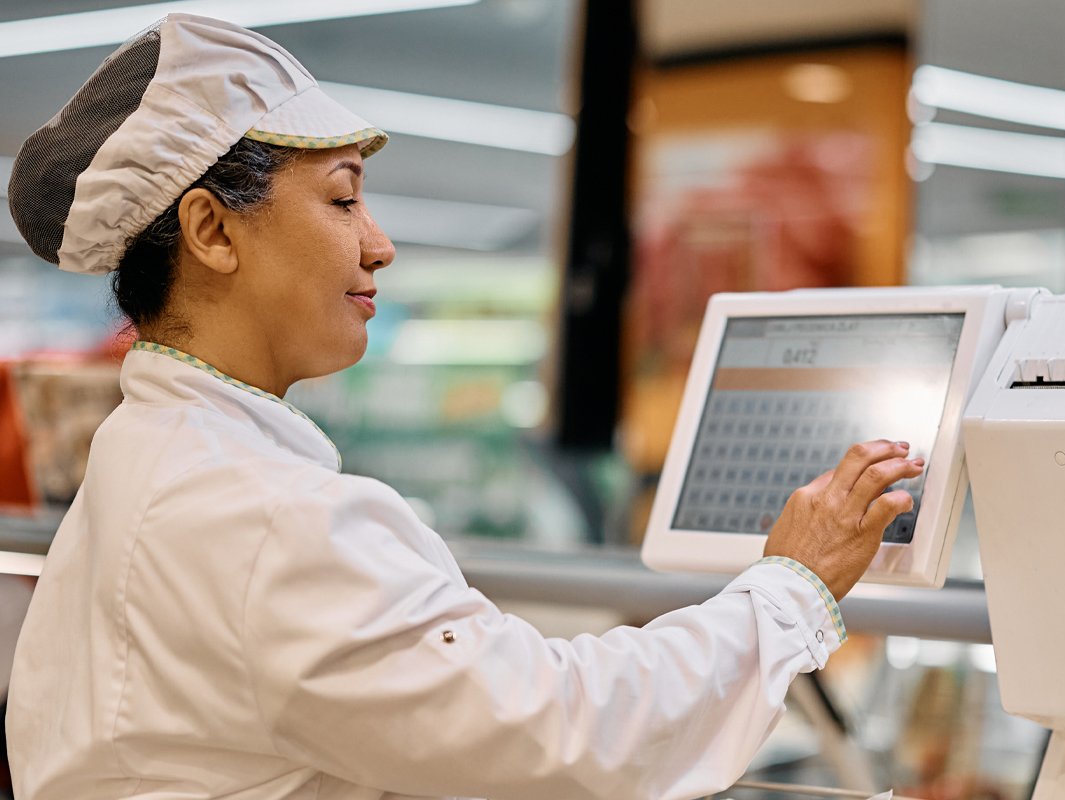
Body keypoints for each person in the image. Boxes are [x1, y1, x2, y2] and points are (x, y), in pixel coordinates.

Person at [2, 15, 925, 800]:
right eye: (342, 199)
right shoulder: (260, 516)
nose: (380, 244)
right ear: (211, 230)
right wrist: (790, 589)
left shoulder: (154, 457)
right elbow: (560, 733)